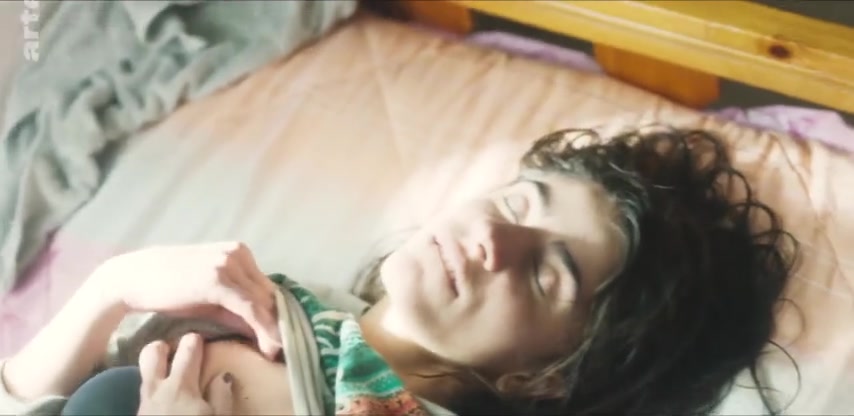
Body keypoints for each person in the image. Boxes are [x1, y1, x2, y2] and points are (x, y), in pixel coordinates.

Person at [0, 127, 797, 416]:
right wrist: (110, 291)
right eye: (520, 201)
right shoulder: (262, 302)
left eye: (545, 274)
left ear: (552, 374)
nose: (493, 236)